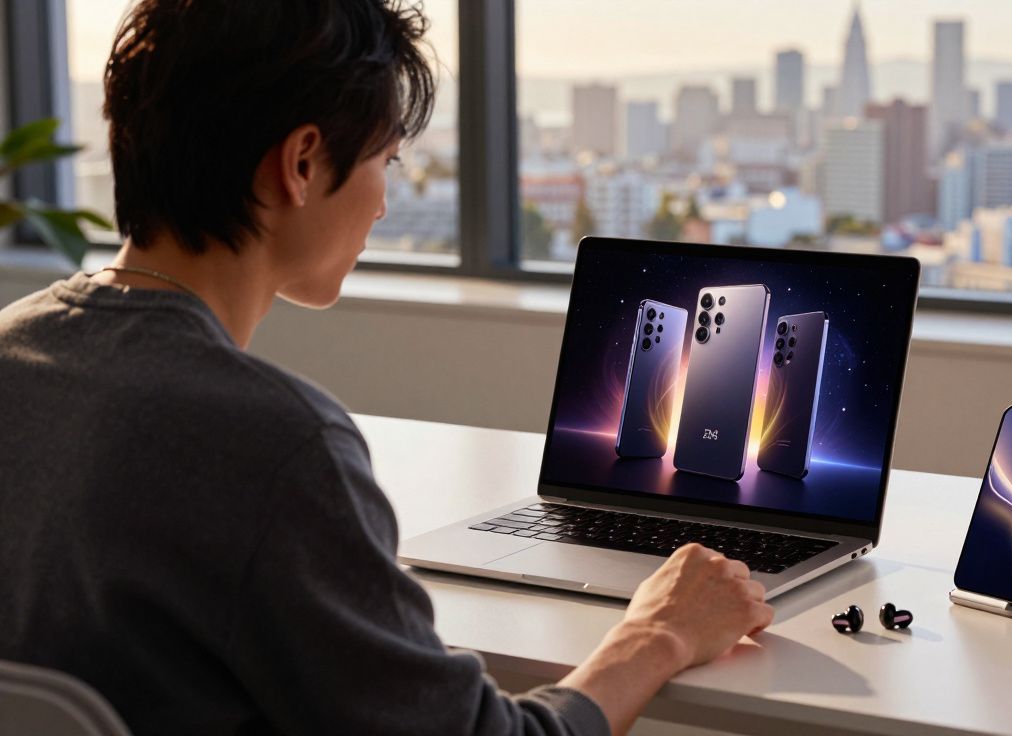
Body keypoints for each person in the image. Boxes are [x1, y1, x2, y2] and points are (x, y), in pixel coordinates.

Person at [0, 1, 772, 734]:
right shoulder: (278, 447)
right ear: (301, 162)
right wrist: (658, 634)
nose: (382, 205)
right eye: (387, 161)